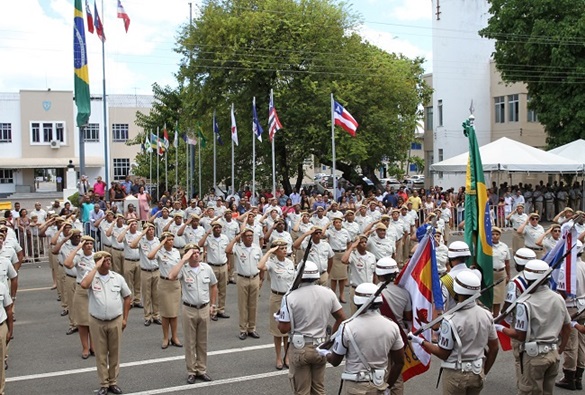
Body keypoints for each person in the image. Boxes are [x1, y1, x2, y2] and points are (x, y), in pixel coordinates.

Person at [412, 269, 499, 395]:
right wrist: (484, 371)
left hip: (456, 374)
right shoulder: (486, 314)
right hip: (477, 371)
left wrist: (421, 341)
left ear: (457, 291)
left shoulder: (450, 320)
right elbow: (494, 347)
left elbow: (443, 353)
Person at [496, 259, 572, 395]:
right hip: (553, 353)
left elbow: (520, 335)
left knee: (529, 391)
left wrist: (500, 328)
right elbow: (567, 327)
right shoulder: (558, 298)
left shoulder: (525, 304)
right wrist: (560, 349)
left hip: (534, 356)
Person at [322, 282, 405, 395]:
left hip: (355, 387)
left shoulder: (347, 326)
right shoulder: (392, 326)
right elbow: (399, 362)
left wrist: (325, 353)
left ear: (356, 302)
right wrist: (388, 387)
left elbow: (335, 361)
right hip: (379, 385)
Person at [278, 261, 346, 395]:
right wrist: (331, 338)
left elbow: (283, 328)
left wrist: (279, 319)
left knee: (302, 391)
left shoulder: (290, 297)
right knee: (319, 389)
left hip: (300, 347)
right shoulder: (328, 293)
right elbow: (342, 318)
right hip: (321, 345)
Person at [81, 251, 131, 395]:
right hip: (97, 321)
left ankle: (113, 382)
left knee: (114, 353)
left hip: (115, 319)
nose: (109, 261)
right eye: (105, 260)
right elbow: (84, 285)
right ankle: (104, 383)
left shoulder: (117, 278)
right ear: (98, 262)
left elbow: (127, 297)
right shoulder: (91, 277)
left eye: (109, 259)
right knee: (101, 354)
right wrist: (95, 268)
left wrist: (125, 318)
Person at [168, 243, 218, 384]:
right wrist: (183, 260)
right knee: (190, 342)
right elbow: (171, 276)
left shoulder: (206, 268)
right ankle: (191, 371)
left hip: (204, 308)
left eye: (198, 252)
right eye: (193, 253)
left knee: (202, 342)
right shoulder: (184, 269)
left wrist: (213, 305)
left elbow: (214, 285)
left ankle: (201, 369)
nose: (197, 254)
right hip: (188, 309)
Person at [258, 239, 295, 370]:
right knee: (277, 330)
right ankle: (278, 357)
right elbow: (260, 266)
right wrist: (269, 251)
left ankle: (287, 356)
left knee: (288, 330)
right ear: (275, 250)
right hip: (277, 298)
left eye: (285, 248)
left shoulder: (290, 262)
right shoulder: (272, 263)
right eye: (281, 248)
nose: (285, 250)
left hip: (289, 298)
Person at [555, 240, 585, 390]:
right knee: (582, 343)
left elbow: (562, 293)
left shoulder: (567, 269)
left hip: (571, 307)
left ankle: (569, 376)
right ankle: (579, 376)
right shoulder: (584, 265)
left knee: (570, 343)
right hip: (583, 306)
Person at [148, 232, 183, 349]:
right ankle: (165, 337)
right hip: (164, 283)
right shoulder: (160, 252)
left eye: (172, 239)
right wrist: (161, 244)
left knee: (174, 313)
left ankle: (175, 337)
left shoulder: (176, 252)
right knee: (165, 314)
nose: (171, 242)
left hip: (175, 284)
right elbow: (150, 256)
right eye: (168, 240)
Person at [226, 229, 262, 340]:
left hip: (255, 277)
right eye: (247, 236)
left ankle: (252, 328)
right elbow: (227, 250)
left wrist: (262, 278)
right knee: (243, 305)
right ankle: (243, 329)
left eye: (251, 236)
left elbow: (261, 263)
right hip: (242, 278)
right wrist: (236, 238)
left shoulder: (257, 248)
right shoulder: (238, 247)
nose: (250, 238)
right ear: (243, 237)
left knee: (253, 304)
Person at [64, 235, 96, 359]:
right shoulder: (78, 256)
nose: (88, 245)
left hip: (94, 290)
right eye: (86, 243)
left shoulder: (97, 256)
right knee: (82, 322)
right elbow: (67, 264)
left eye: (90, 243)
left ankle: (93, 346)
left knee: (93, 320)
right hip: (81, 290)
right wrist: (77, 248)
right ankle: (85, 347)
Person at [129, 223, 161, 326]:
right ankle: (147, 316)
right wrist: (141, 234)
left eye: (152, 229)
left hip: (156, 270)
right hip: (145, 271)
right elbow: (132, 245)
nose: (150, 231)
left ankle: (156, 315)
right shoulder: (141, 241)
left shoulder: (157, 240)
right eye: (148, 229)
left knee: (156, 295)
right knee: (146, 295)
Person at [198, 221, 230, 320]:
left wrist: (229, 263)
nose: (218, 229)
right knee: (213, 289)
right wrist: (207, 233)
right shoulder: (209, 238)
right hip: (212, 267)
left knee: (223, 289)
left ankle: (221, 309)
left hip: (223, 265)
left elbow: (228, 250)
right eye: (215, 228)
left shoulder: (225, 238)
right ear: (212, 229)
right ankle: (213, 310)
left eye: (219, 227)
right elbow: (200, 244)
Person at [341, 235, 376, 315]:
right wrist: (352, 247)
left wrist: (374, 287)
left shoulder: (372, 256)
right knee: (355, 314)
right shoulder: (353, 255)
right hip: (357, 289)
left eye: (365, 242)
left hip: (369, 290)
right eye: (361, 242)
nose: (364, 244)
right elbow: (343, 260)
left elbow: (374, 274)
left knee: (369, 314)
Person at [491, 226, 510, 317]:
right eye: (493, 234)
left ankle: (496, 316)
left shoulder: (504, 246)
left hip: (501, 273)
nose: (495, 236)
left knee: (498, 297)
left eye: (497, 234)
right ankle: (489, 316)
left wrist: (508, 275)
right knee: (490, 297)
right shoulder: (487, 246)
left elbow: (507, 262)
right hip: (490, 274)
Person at [0, 276, 13, 395]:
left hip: (1, 327)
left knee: (0, 362)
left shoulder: (2, 287)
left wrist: (10, 330)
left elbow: (8, 309)